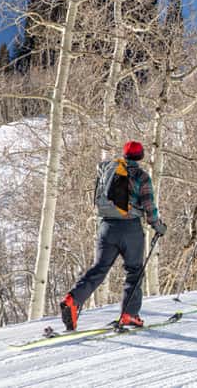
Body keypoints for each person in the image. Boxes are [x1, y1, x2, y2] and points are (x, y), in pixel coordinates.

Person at [60, 141, 167, 330]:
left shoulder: (108, 169)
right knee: (134, 271)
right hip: (130, 229)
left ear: (124, 154)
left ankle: (72, 299)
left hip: (106, 226)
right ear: (140, 156)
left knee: (99, 268)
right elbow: (149, 207)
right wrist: (158, 226)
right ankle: (130, 314)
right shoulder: (141, 177)